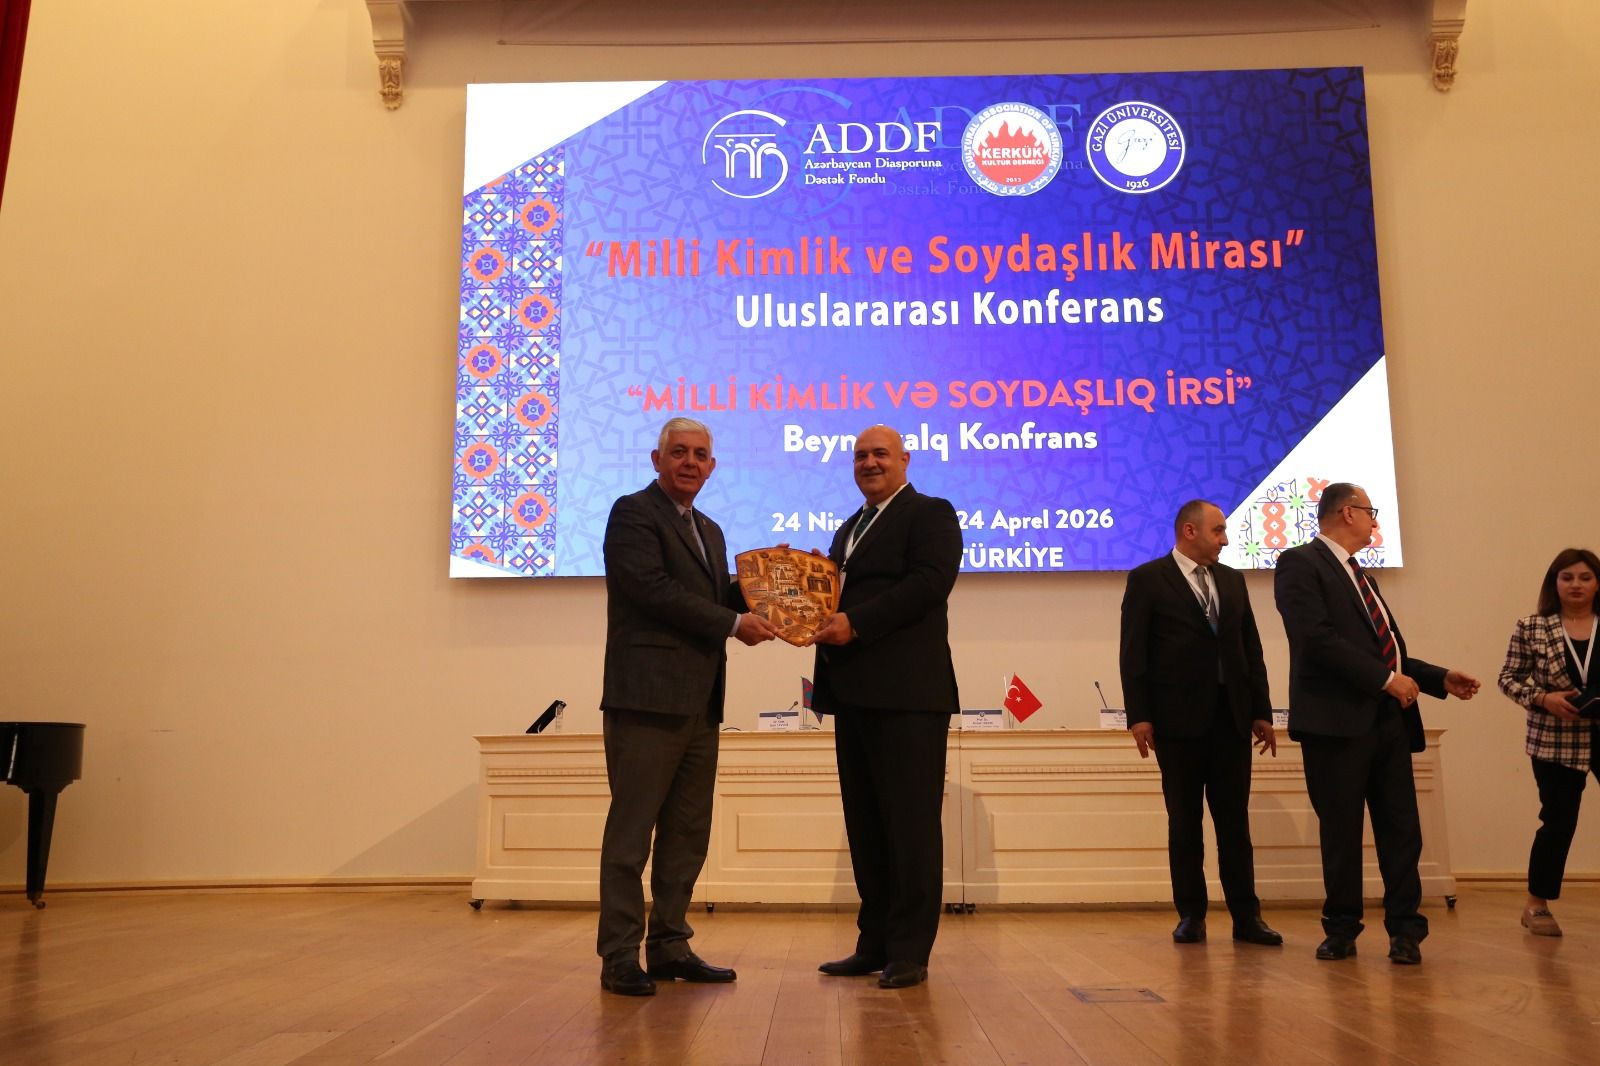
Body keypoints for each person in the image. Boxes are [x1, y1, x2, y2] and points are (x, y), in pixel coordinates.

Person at [596, 417, 778, 996]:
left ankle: (670, 945)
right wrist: (733, 623)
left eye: (700, 454)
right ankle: (619, 956)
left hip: (700, 704)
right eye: (679, 452)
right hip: (647, 700)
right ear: (657, 459)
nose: (690, 462)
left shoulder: (710, 530)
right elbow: (652, 589)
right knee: (631, 837)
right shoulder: (632, 513)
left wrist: (780, 581)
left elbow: (715, 594)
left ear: (712, 466)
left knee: (687, 832)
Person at [1273, 482, 1479, 965]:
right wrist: (1387, 681)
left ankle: (1405, 931)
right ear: (1348, 512)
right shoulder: (1300, 563)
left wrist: (1437, 678)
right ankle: (1341, 929)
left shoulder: (1361, 576)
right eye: (1370, 512)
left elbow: (1388, 653)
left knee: (1401, 830)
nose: (1375, 521)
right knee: (1342, 833)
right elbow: (1316, 640)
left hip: (1388, 723)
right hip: (1335, 724)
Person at [809, 425, 962, 990]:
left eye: (880, 454)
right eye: (860, 456)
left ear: (905, 459)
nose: (869, 463)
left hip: (909, 696)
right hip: (853, 694)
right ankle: (873, 943)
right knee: (867, 825)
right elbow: (834, 595)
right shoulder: (850, 527)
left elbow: (929, 585)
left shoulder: (931, 514)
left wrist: (857, 622)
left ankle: (910, 951)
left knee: (911, 826)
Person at [1119, 499, 1282, 947]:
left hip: (1232, 721)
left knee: (1235, 826)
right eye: (1218, 531)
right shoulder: (1148, 579)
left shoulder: (1232, 580)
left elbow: (1251, 649)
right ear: (1190, 532)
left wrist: (1261, 710)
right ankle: (1191, 915)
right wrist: (1139, 715)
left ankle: (1247, 918)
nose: (1225, 540)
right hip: (1176, 724)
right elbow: (1133, 653)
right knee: (1185, 823)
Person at [1497, 548, 1600, 937]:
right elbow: (1508, 679)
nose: (1576, 585)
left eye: (1585, 577)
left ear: (1597, 583)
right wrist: (1543, 698)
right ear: (1554, 583)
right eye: (1567, 577)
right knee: (1558, 821)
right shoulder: (1532, 627)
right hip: (1555, 740)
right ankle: (1536, 905)